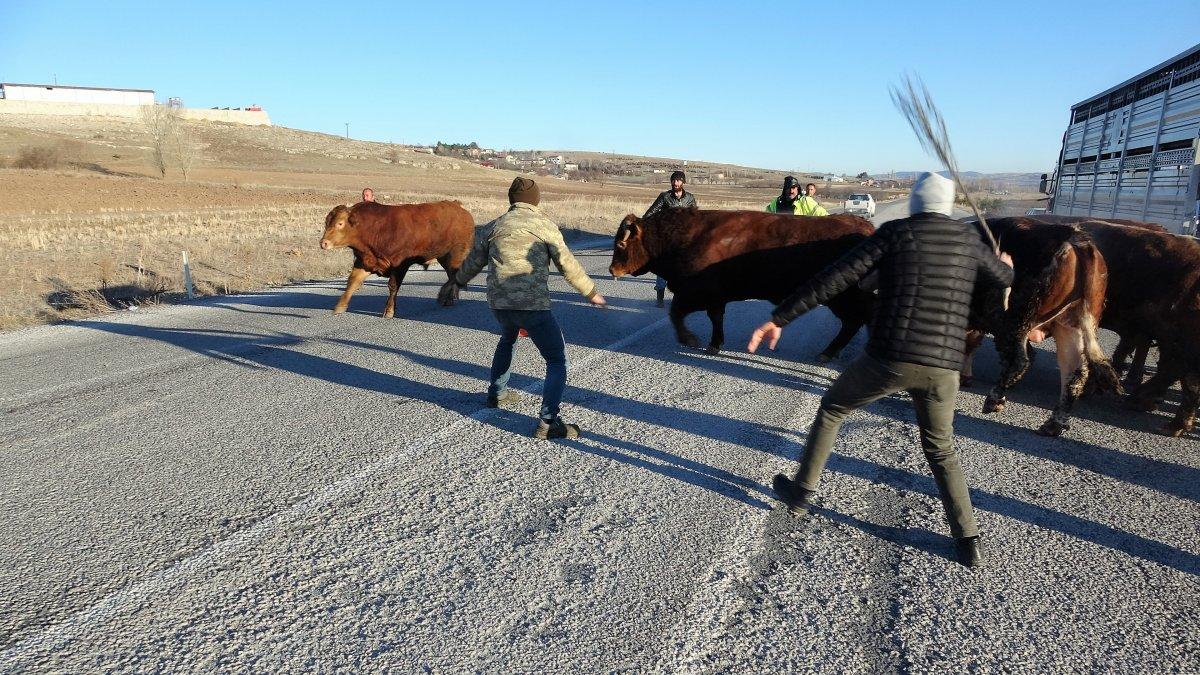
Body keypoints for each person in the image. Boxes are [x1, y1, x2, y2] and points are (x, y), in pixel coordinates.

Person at [747, 172, 1014, 568]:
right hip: (944, 366)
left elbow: (836, 278)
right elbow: (1004, 278)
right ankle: (967, 538)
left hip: (889, 357)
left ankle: (802, 492)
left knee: (834, 409)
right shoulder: (969, 241)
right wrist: (1005, 265)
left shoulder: (895, 234)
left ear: (917, 202)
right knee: (941, 448)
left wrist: (781, 317)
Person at [439, 177, 607, 440]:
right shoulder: (545, 226)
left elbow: (473, 261)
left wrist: (457, 282)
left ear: (512, 199)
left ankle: (498, 393)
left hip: (500, 304)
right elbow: (567, 264)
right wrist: (591, 292)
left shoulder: (496, 225)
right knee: (556, 359)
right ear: (535, 200)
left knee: (508, 338)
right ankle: (549, 422)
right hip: (532, 305)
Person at [643, 170, 697, 307]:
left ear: (683, 182)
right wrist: (642, 223)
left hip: (682, 239)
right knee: (662, 268)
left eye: (678, 180)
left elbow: (695, 217)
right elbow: (652, 212)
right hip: (665, 238)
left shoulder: (690, 198)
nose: (675, 183)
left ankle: (677, 298)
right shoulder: (664, 197)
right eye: (673, 180)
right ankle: (660, 298)